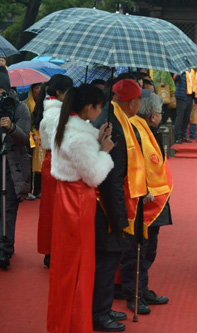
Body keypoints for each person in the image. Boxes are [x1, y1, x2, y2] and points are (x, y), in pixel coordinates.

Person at [48, 84, 114, 333]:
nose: (101, 110)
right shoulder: (79, 136)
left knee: (67, 265)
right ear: (89, 107)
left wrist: (96, 139)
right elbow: (94, 175)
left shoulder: (67, 126)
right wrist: (105, 152)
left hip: (67, 197)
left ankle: (65, 321)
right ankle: (74, 324)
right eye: (99, 106)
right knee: (78, 266)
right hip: (78, 200)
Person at [92, 79, 147, 332]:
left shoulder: (115, 116)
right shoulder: (111, 125)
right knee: (107, 259)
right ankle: (99, 314)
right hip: (106, 205)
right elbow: (112, 178)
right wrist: (119, 218)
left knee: (109, 260)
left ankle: (103, 306)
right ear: (133, 102)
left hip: (111, 200)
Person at [122, 91, 172, 314]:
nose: (161, 117)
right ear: (153, 115)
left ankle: (143, 288)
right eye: (160, 112)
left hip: (156, 197)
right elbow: (133, 164)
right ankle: (134, 294)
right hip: (143, 197)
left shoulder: (147, 129)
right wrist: (143, 188)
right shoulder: (134, 128)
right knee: (138, 249)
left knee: (149, 248)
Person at [34, 74, 74, 268]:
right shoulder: (57, 113)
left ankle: (51, 251)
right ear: (59, 92)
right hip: (59, 162)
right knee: (59, 211)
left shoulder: (49, 110)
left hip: (51, 163)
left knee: (50, 211)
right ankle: (55, 251)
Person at [0, 66, 31, 260]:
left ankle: (5, 247)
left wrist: (11, 127)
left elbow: (25, 138)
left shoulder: (19, 107)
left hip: (12, 165)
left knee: (8, 206)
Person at [173, 70, 195, 144]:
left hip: (190, 96)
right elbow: (175, 78)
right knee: (180, 117)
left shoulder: (192, 72)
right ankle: (177, 137)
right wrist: (180, 72)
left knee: (187, 117)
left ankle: (183, 135)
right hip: (181, 96)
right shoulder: (180, 71)